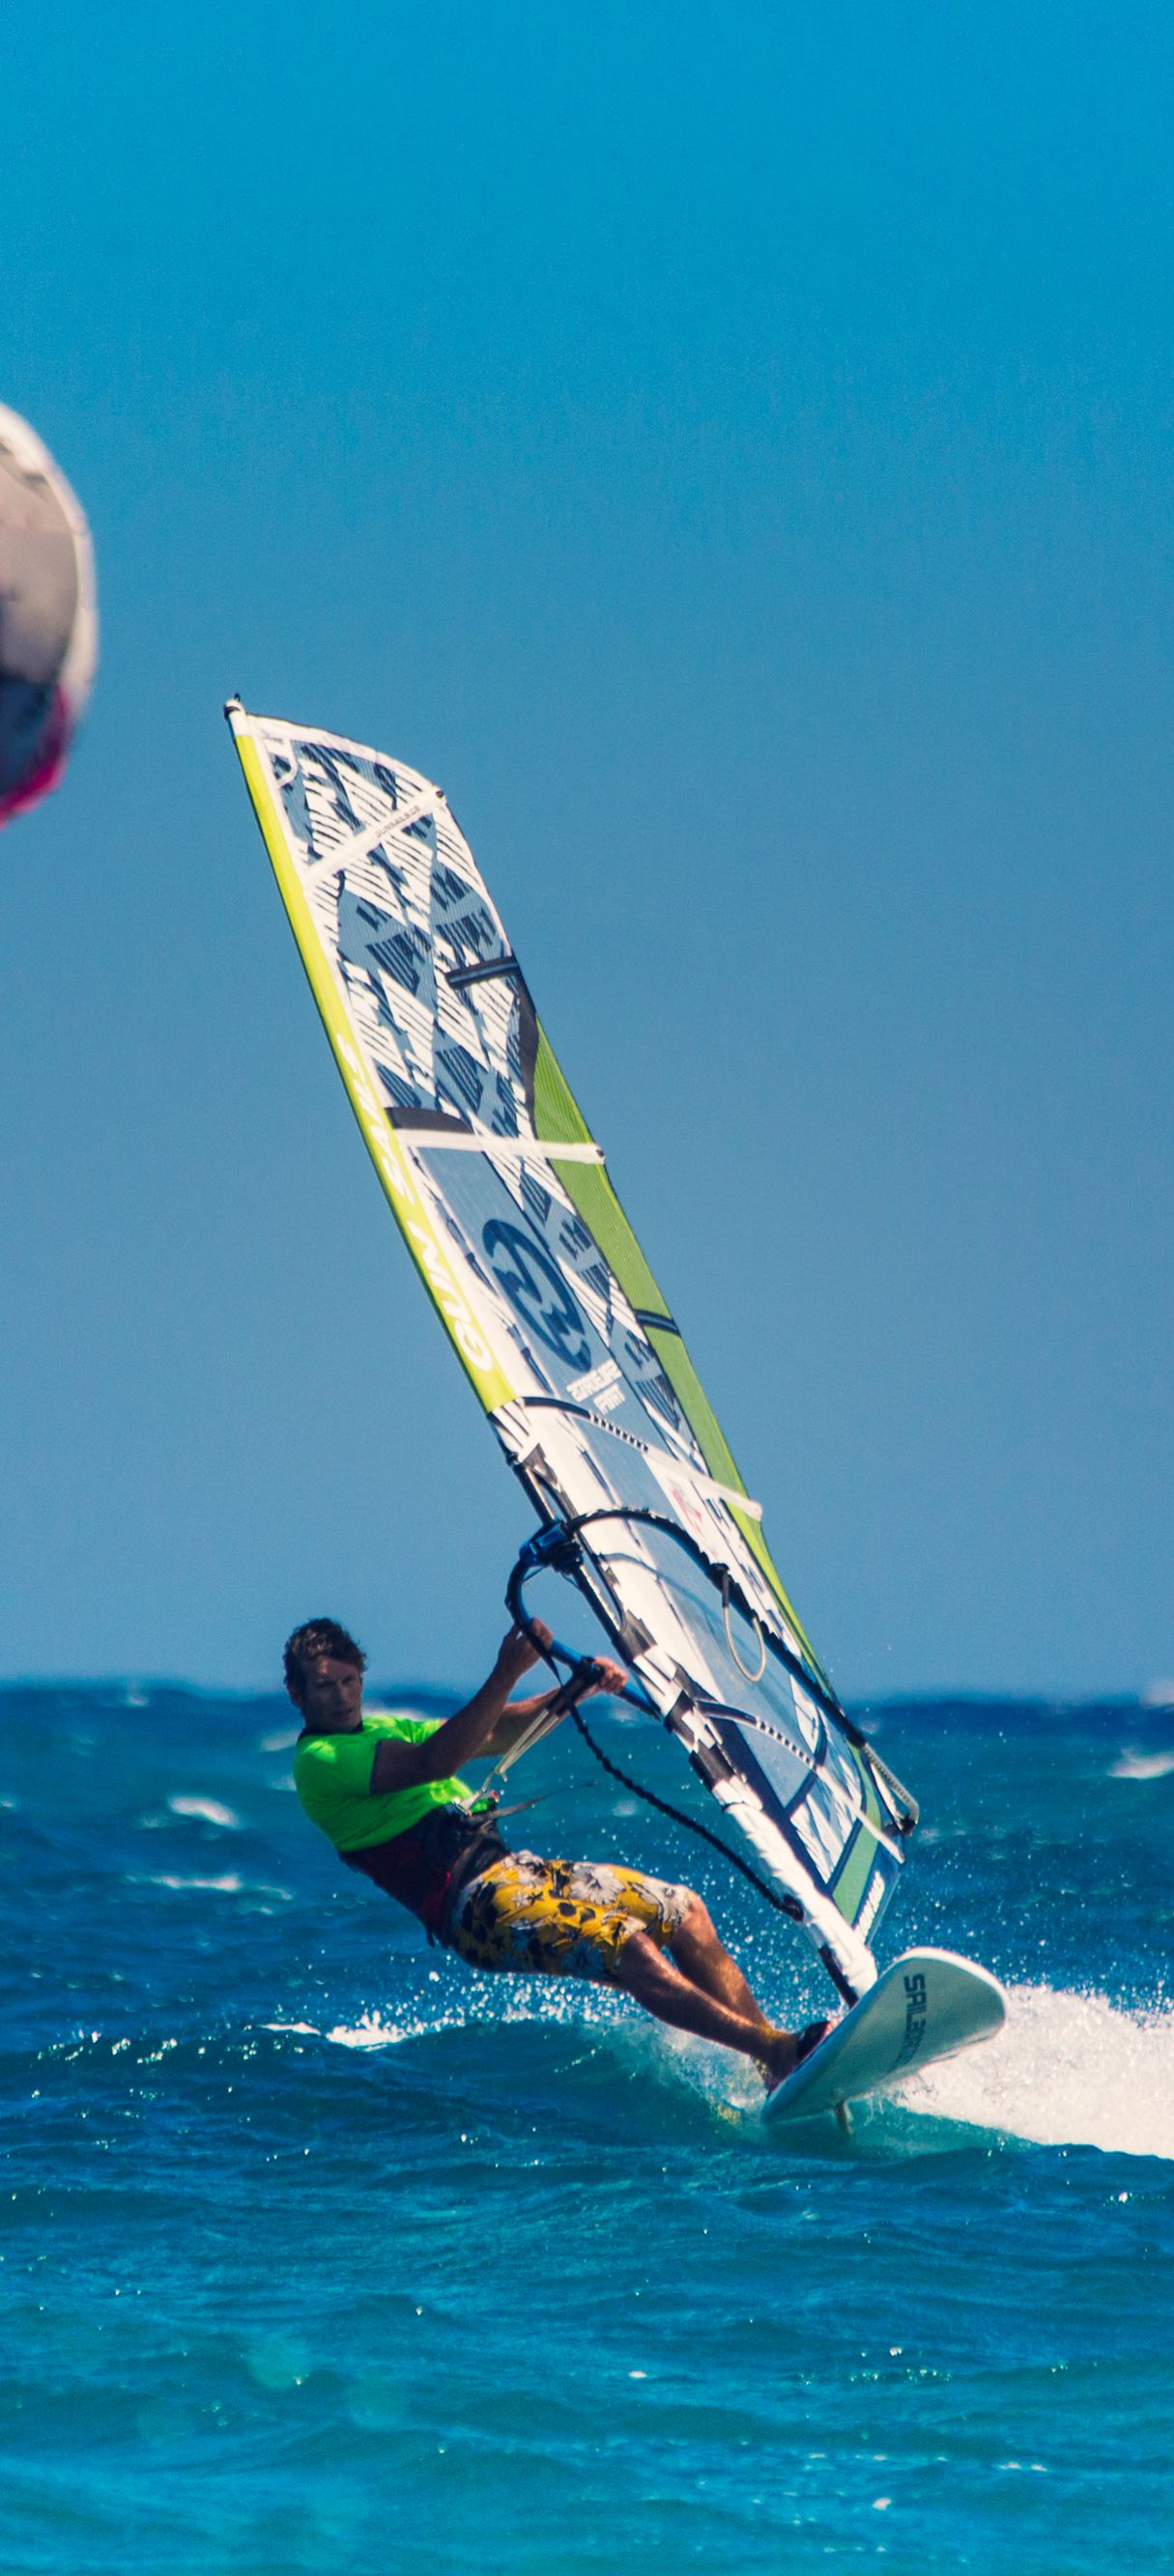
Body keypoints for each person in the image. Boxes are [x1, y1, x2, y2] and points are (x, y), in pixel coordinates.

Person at [283, 1613, 828, 2090]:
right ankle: (777, 2048)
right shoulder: (321, 1760)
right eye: (325, 1686)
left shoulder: (382, 1728)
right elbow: (434, 1764)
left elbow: (492, 1733)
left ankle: (773, 2067)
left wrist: (576, 1690)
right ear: (298, 1695)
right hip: (477, 1910)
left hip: (517, 1872)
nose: (342, 1695)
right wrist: (506, 1671)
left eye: (350, 1680)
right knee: (629, 1946)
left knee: (685, 1913)